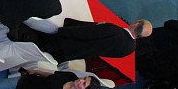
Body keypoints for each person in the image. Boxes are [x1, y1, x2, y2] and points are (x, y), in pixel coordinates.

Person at [19, 19, 152, 62]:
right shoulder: (130, 49)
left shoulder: (113, 30)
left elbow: (84, 33)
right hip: (73, 55)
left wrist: (63, 30)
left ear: (136, 24)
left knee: (33, 35)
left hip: (64, 42)